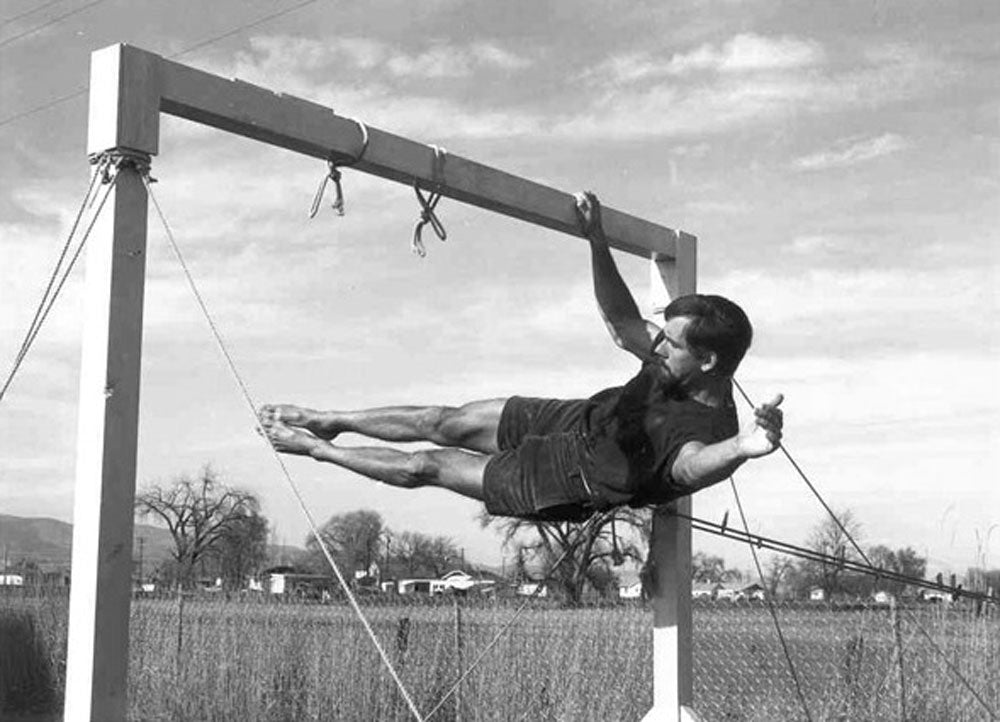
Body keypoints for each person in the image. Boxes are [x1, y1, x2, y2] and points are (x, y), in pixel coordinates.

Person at [258, 191, 783, 522]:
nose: (658, 345)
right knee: (443, 420)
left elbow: (692, 469)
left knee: (428, 466)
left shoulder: (712, 432)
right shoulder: (672, 357)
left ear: (709, 361)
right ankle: (328, 420)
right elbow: (624, 322)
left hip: (563, 478)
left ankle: (314, 450)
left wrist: (741, 447)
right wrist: (596, 242)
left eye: (671, 341)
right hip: (576, 417)